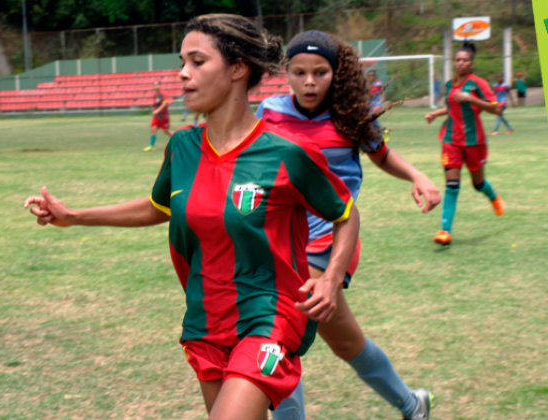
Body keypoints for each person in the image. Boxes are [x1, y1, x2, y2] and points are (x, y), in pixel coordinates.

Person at [24, 14, 360, 420]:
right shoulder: (183, 146)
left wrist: (329, 276)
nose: (182, 74)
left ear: (238, 69)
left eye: (197, 62)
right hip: (206, 320)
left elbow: (344, 212)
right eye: (182, 62)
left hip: (269, 319)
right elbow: (158, 207)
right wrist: (74, 215)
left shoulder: (287, 155)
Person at [258, 30, 439, 420]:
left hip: (331, 238)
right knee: (347, 342)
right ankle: (412, 404)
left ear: (335, 73)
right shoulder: (269, 112)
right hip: (281, 240)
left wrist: (417, 176)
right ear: (286, 73)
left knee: (280, 335)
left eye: (320, 72)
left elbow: (382, 155)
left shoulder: (350, 114)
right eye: (299, 72)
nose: (309, 82)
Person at [425, 41, 505, 246]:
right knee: (452, 186)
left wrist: (470, 98)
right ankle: (445, 231)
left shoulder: (478, 83)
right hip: (450, 140)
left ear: (472, 63)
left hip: (474, 141)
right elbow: (452, 107)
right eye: (458, 60)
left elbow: (496, 109)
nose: (460, 63)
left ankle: (494, 197)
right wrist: (436, 113)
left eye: (465, 60)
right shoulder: (449, 84)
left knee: (478, 184)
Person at [144, 81, 173, 152]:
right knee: (153, 129)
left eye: (157, 85)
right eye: (154, 85)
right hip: (157, 116)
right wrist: (156, 112)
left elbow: (165, 103)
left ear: (160, 85)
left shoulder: (162, 94)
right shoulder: (155, 95)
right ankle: (151, 146)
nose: (155, 86)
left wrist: (158, 110)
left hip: (163, 116)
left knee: (166, 131)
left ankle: (179, 140)